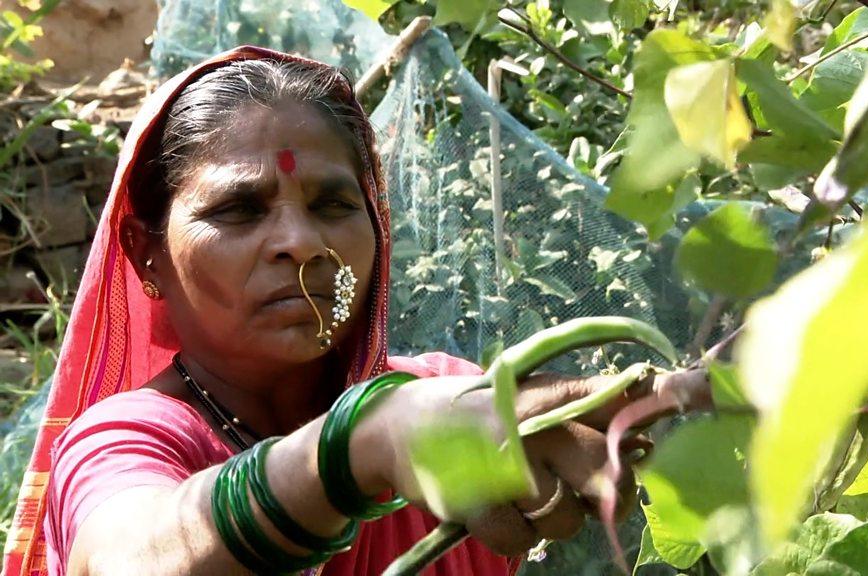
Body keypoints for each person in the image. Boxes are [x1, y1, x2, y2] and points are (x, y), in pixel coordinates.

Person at [2, 46, 710, 576]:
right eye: (238, 209)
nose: (301, 244)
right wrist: (358, 445)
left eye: (335, 205)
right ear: (146, 253)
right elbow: (131, 555)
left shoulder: (441, 398)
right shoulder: (129, 439)